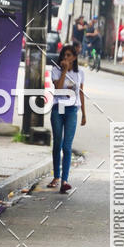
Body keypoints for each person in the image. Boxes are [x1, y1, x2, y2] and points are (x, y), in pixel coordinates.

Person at [46, 44, 87, 194]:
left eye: (69, 55)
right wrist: (64, 70)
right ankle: (56, 177)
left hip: (72, 110)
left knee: (67, 146)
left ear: (74, 57)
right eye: (64, 55)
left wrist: (84, 113)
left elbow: (80, 92)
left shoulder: (80, 72)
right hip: (58, 109)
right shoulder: (56, 70)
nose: (66, 57)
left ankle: (65, 180)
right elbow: (58, 89)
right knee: (57, 143)